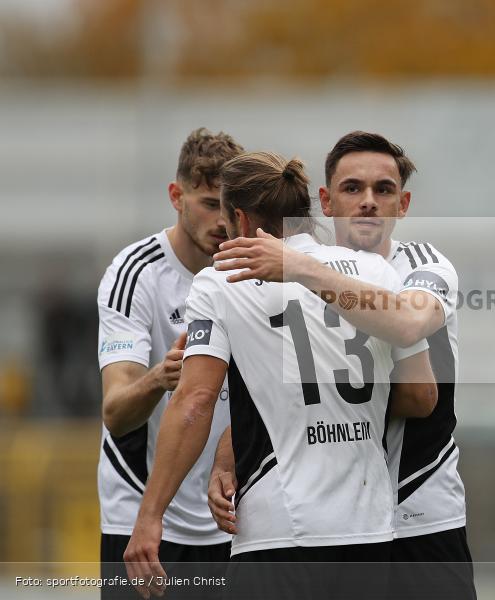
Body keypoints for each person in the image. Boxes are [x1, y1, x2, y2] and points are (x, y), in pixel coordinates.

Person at [123, 151, 437, 600]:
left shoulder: (220, 281)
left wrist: (150, 515)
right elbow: (422, 394)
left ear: (240, 218)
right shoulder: (375, 270)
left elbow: (194, 402)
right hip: (369, 528)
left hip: (279, 528)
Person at [208, 131, 475, 599]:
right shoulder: (287, 274)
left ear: (403, 204)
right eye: (353, 189)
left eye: (384, 190)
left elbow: (409, 323)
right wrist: (227, 455)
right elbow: (289, 389)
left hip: (421, 510)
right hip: (342, 527)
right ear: (326, 202)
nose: (368, 202)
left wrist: (302, 271)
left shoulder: (423, 265)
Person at [96, 128, 242, 599]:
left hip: (233, 520)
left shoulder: (253, 272)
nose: (222, 220)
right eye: (207, 202)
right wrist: (159, 378)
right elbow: (116, 413)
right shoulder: (135, 273)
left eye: (231, 206)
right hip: (139, 516)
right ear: (175, 196)